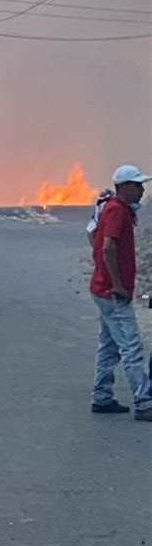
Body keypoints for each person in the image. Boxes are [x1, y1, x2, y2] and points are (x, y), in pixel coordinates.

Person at [90, 164, 152, 422]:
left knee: (109, 346)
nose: (141, 189)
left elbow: (92, 236)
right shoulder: (117, 210)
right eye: (137, 185)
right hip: (112, 293)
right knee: (131, 347)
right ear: (124, 186)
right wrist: (116, 283)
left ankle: (102, 396)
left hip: (102, 289)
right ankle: (144, 401)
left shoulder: (111, 207)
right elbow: (107, 248)